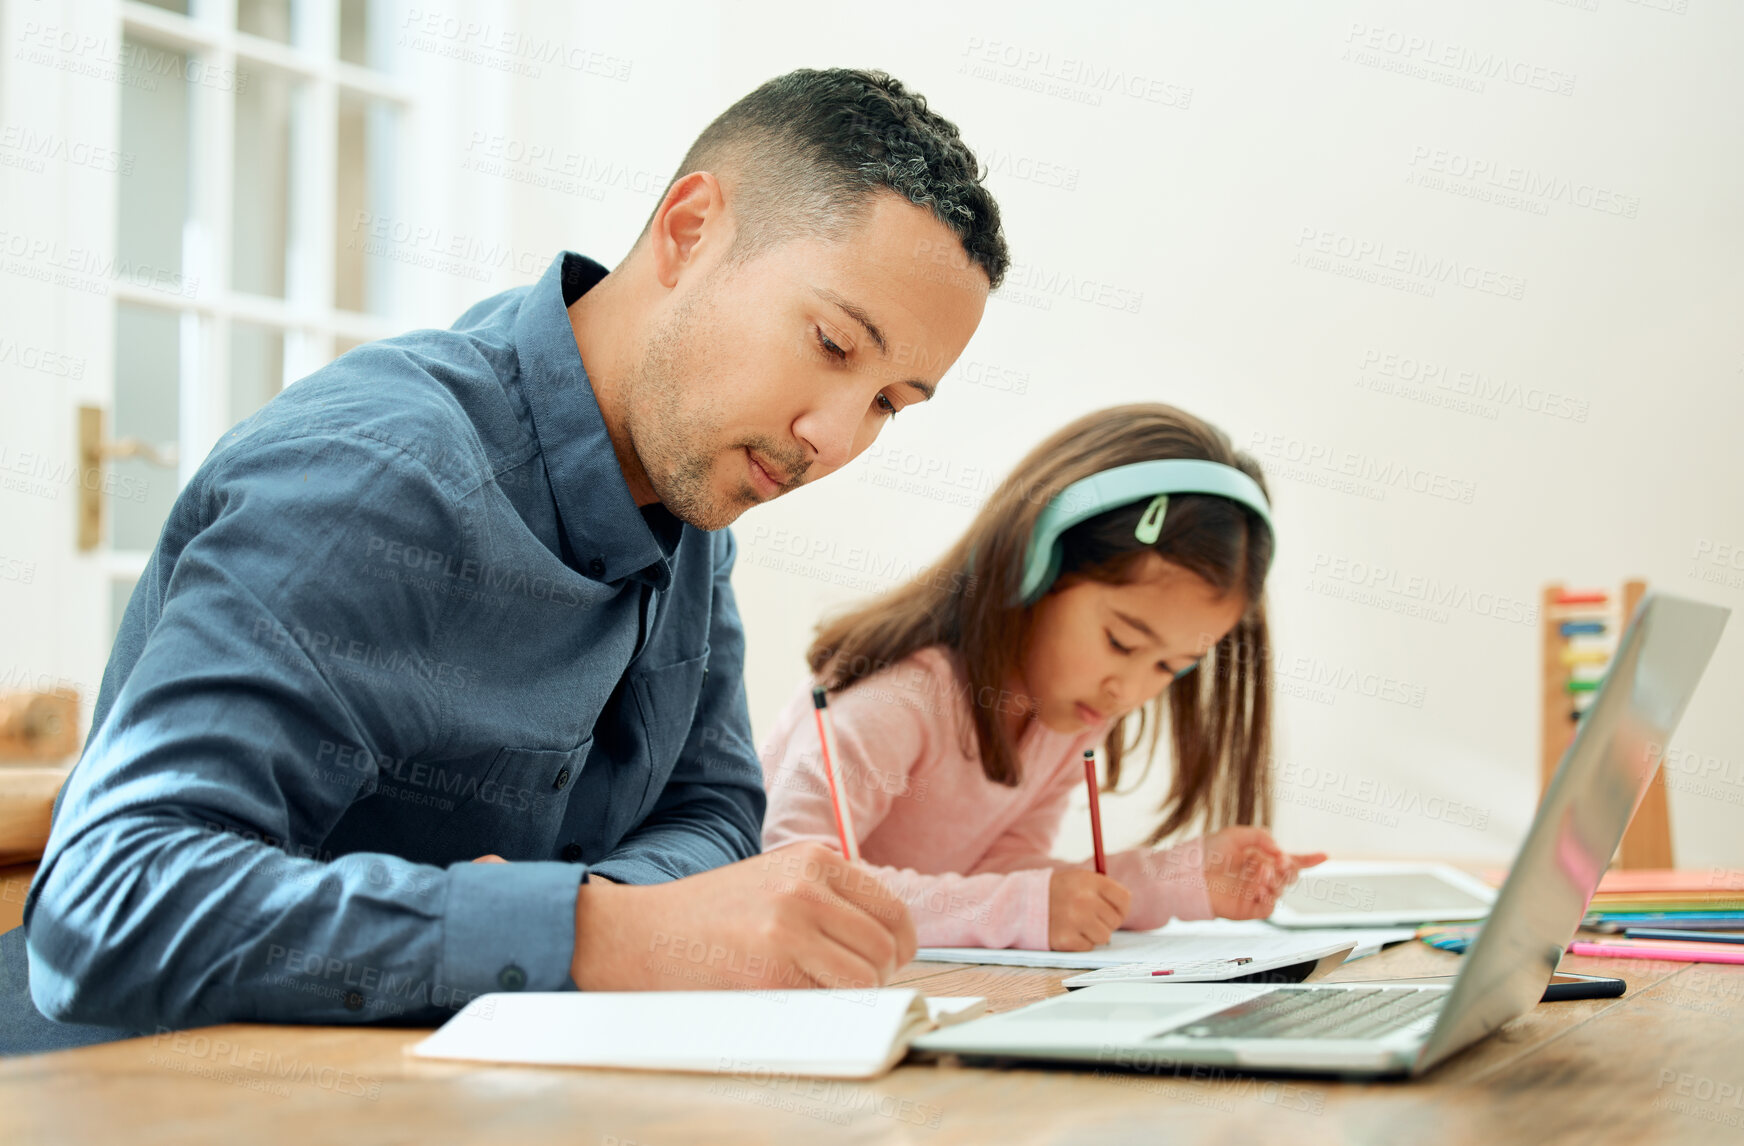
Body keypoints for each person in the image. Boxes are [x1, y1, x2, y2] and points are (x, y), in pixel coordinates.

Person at [0, 68, 1008, 1054]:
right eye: (832, 344)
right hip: (143, 1095)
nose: (831, 437)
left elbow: (712, 812)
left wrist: (595, 917)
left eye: (887, 404)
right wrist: (591, 932)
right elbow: (110, 899)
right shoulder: (372, 470)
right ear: (690, 231)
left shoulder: (696, 505)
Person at [760, 404, 1326, 951]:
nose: (1127, 692)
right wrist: (1023, 908)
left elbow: (1001, 871)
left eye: (1169, 668)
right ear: (1036, 561)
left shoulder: (1067, 711)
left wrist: (1174, 880)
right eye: (1121, 642)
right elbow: (794, 880)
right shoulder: (897, 698)